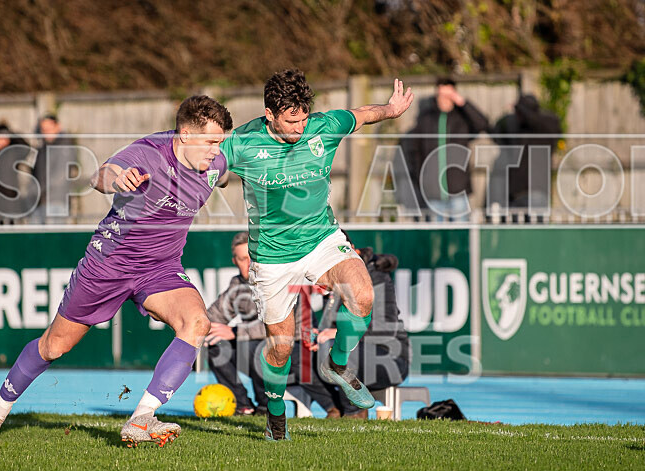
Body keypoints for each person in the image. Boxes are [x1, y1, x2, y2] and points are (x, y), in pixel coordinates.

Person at [0, 95, 233, 447]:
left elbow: (232, 170)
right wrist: (117, 179)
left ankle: (141, 418)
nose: (216, 150)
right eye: (211, 142)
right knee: (54, 346)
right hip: (110, 265)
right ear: (184, 134)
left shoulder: (217, 164)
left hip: (160, 268)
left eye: (220, 142)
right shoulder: (149, 152)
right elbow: (99, 174)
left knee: (196, 322)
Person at [220, 69, 413, 440]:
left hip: (321, 239)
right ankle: (276, 418)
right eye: (291, 121)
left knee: (362, 295)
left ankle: (337, 365)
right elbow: (213, 169)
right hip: (272, 257)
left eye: (304, 118)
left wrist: (390, 110)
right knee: (280, 349)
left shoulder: (323, 127)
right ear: (269, 114)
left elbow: (361, 114)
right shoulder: (243, 142)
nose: (299, 128)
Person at [314, 233, 411, 418]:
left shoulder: (375, 276)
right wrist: (316, 335)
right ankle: (333, 407)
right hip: (356, 350)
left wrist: (335, 332)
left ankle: (354, 412)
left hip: (390, 355)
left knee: (334, 351)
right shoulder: (333, 276)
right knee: (306, 353)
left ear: (352, 250)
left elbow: (383, 328)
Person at [401, 77, 490, 221]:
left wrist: (462, 102)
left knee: (461, 236)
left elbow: (483, 124)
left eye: (449, 95)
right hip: (432, 192)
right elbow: (414, 152)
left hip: (458, 190)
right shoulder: (425, 120)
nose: (444, 99)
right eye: (441, 95)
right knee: (436, 238)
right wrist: (421, 178)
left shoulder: (462, 119)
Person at [204, 231, 266, 415]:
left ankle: (266, 405)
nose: (248, 264)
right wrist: (197, 327)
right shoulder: (237, 284)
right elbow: (213, 315)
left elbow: (282, 327)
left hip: (290, 348)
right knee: (215, 345)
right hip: (253, 346)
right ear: (234, 262)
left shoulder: (275, 281)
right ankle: (242, 405)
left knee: (255, 347)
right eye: (242, 259)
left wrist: (236, 332)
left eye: (252, 258)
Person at [490, 94, 561, 212]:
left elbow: (535, 120)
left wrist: (520, 108)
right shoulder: (517, 127)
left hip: (537, 192)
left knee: (536, 229)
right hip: (515, 194)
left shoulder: (546, 125)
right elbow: (495, 131)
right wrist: (509, 114)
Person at [31, 114, 78, 220]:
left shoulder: (64, 146)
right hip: (42, 201)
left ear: (58, 127)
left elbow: (60, 175)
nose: (45, 133)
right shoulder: (43, 147)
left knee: (53, 235)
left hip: (56, 201)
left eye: (49, 129)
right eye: (43, 130)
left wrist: (38, 190)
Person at [0, 123, 30, 216]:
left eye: (5, 138)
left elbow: (26, 148)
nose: (2, 141)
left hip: (10, 204)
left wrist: (12, 133)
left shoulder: (13, 154)